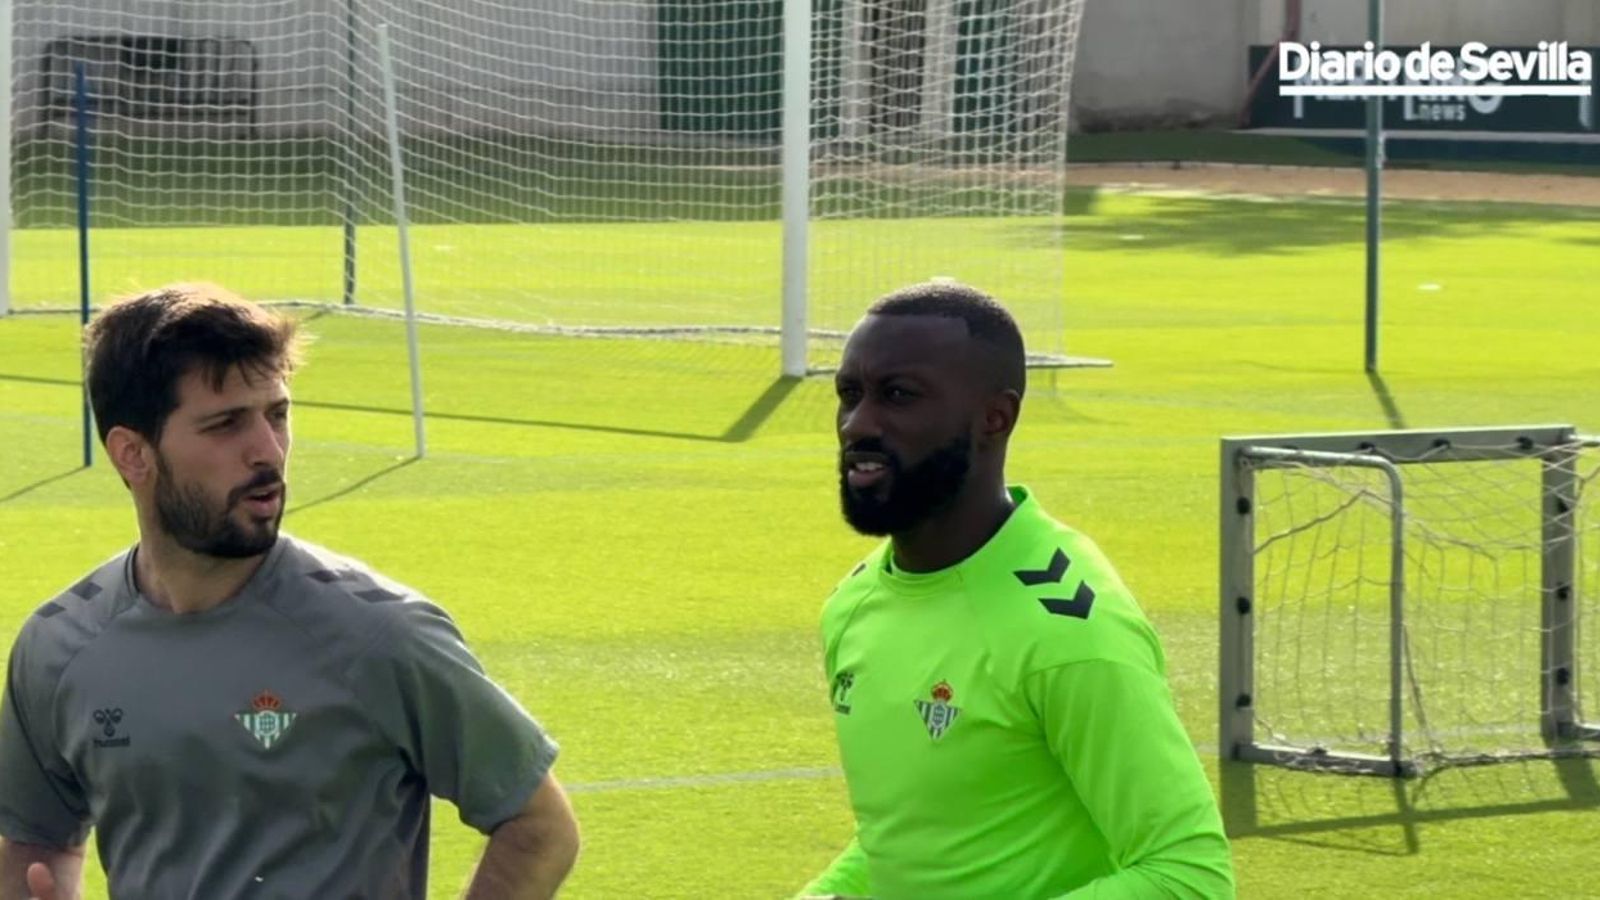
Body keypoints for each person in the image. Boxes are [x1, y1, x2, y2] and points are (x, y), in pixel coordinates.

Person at [0, 284, 579, 899]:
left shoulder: (379, 636)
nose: (268, 452)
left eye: (277, 414)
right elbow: (35, 842)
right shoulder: (59, 647)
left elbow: (539, 827)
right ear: (133, 455)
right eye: (226, 425)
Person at [801, 281, 1233, 898]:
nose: (857, 424)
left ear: (994, 418)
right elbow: (918, 835)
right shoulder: (856, 602)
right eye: (849, 394)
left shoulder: (1069, 631)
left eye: (897, 396)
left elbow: (1189, 876)